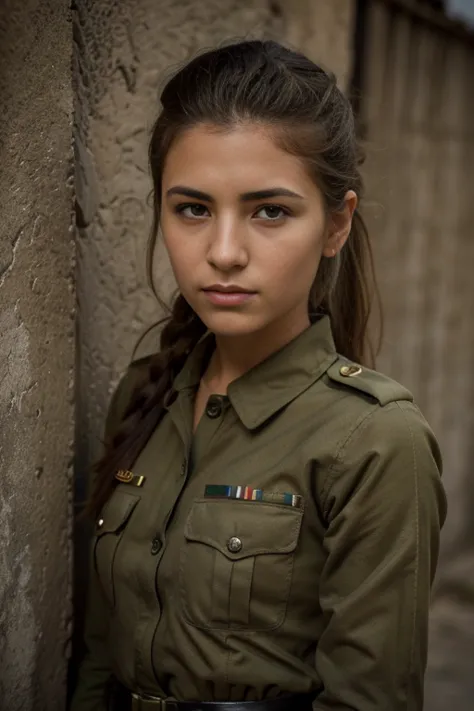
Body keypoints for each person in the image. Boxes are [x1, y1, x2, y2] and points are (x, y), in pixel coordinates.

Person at [71, 40, 447, 711]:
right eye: (192, 208)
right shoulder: (144, 396)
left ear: (337, 223)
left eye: (269, 210)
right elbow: (100, 652)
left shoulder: (375, 440)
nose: (222, 252)